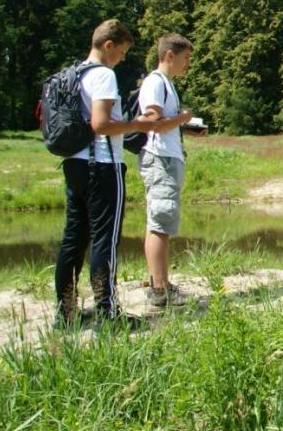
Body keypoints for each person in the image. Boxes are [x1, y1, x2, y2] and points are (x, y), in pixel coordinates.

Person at [55, 19, 157, 327]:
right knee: (105, 240)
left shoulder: (73, 74)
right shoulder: (103, 76)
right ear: (108, 45)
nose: (123, 59)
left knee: (73, 240)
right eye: (122, 51)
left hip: (73, 163)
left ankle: (66, 313)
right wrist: (138, 124)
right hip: (102, 165)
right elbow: (100, 124)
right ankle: (107, 313)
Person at [136, 34, 204, 308]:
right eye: (186, 58)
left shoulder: (166, 84)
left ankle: (162, 284)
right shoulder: (155, 82)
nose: (188, 64)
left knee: (163, 223)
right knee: (160, 223)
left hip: (168, 158)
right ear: (169, 56)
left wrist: (186, 128)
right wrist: (183, 118)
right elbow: (152, 123)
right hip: (160, 160)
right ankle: (160, 289)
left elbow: (165, 124)